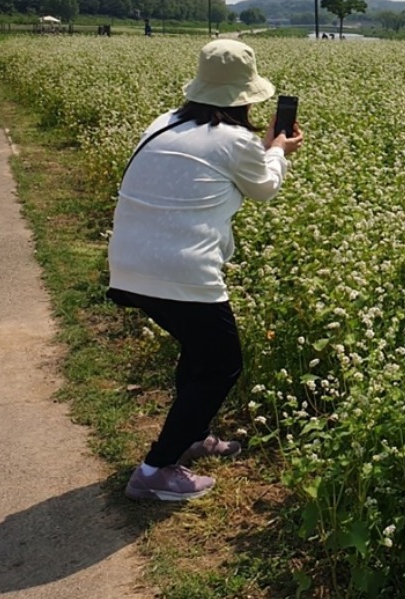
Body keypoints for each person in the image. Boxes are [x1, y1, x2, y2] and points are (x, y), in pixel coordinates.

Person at [106, 37, 303, 501]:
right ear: (246, 97)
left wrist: (266, 147)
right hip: (183, 272)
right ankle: (156, 470)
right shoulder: (236, 141)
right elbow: (265, 188)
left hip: (129, 264)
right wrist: (277, 148)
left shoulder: (162, 123)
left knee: (198, 354)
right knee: (221, 365)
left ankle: (192, 437)